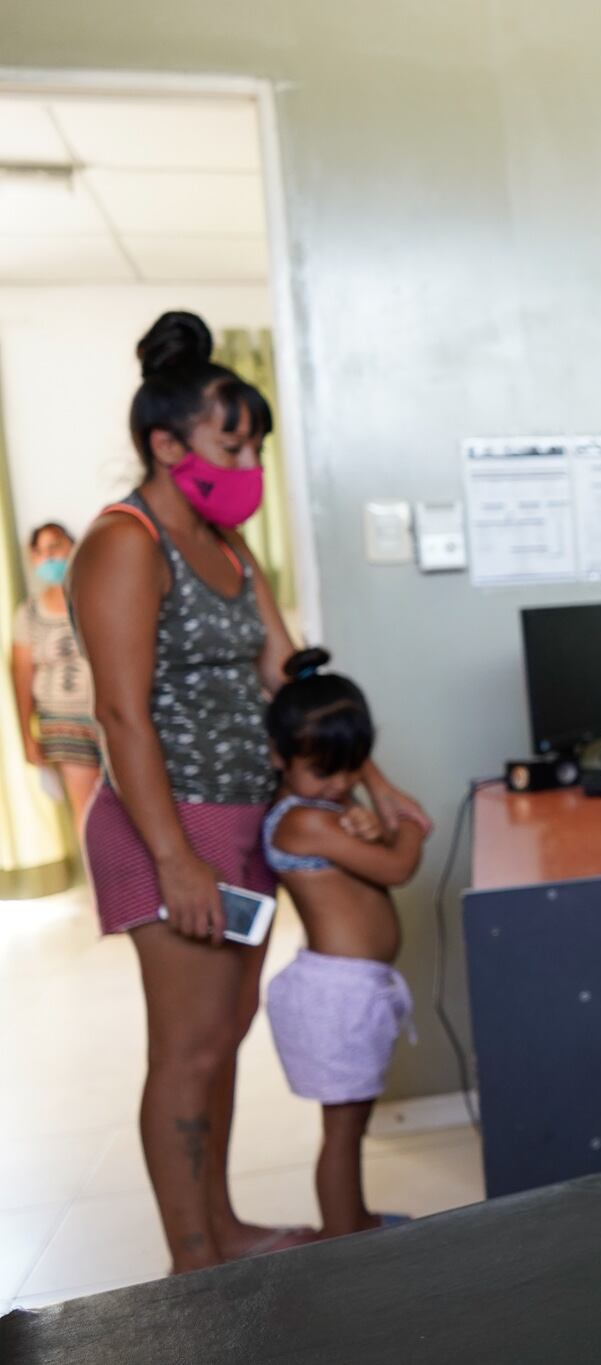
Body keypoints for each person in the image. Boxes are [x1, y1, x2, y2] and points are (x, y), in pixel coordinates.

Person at [69, 310, 430, 1275]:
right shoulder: (125, 542)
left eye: (255, 441)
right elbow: (121, 713)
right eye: (233, 438)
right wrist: (175, 858)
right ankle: (195, 1264)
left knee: (222, 1036)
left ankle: (221, 1228)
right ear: (166, 441)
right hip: (168, 826)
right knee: (186, 1048)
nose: (248, 456)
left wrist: (376, 785)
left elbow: (287, 680)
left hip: (240, 826)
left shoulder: (231, 546)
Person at [261, 648, 423, 1240]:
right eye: (324, 772)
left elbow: (372, 845)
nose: (341, 785)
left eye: (351, 769)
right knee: (342, 1133)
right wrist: (405, 825)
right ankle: (342, 1243)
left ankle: (353, 1221)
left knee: (353, 1124)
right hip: (335, 997)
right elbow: (398, 867)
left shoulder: (325, 807)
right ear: (280, 757)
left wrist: (372, 821)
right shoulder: (303, 820)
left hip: (355, 992)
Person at [11, 521, 100, 840]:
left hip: (107, 717)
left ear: (72, 548)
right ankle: (100, 885)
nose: (49, 558)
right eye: (41, 551)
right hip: (62, 725)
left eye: (56, 548)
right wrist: (27, 736)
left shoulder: (96, 598)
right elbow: (21, 675)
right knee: (87, 810)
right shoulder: (29, 614)